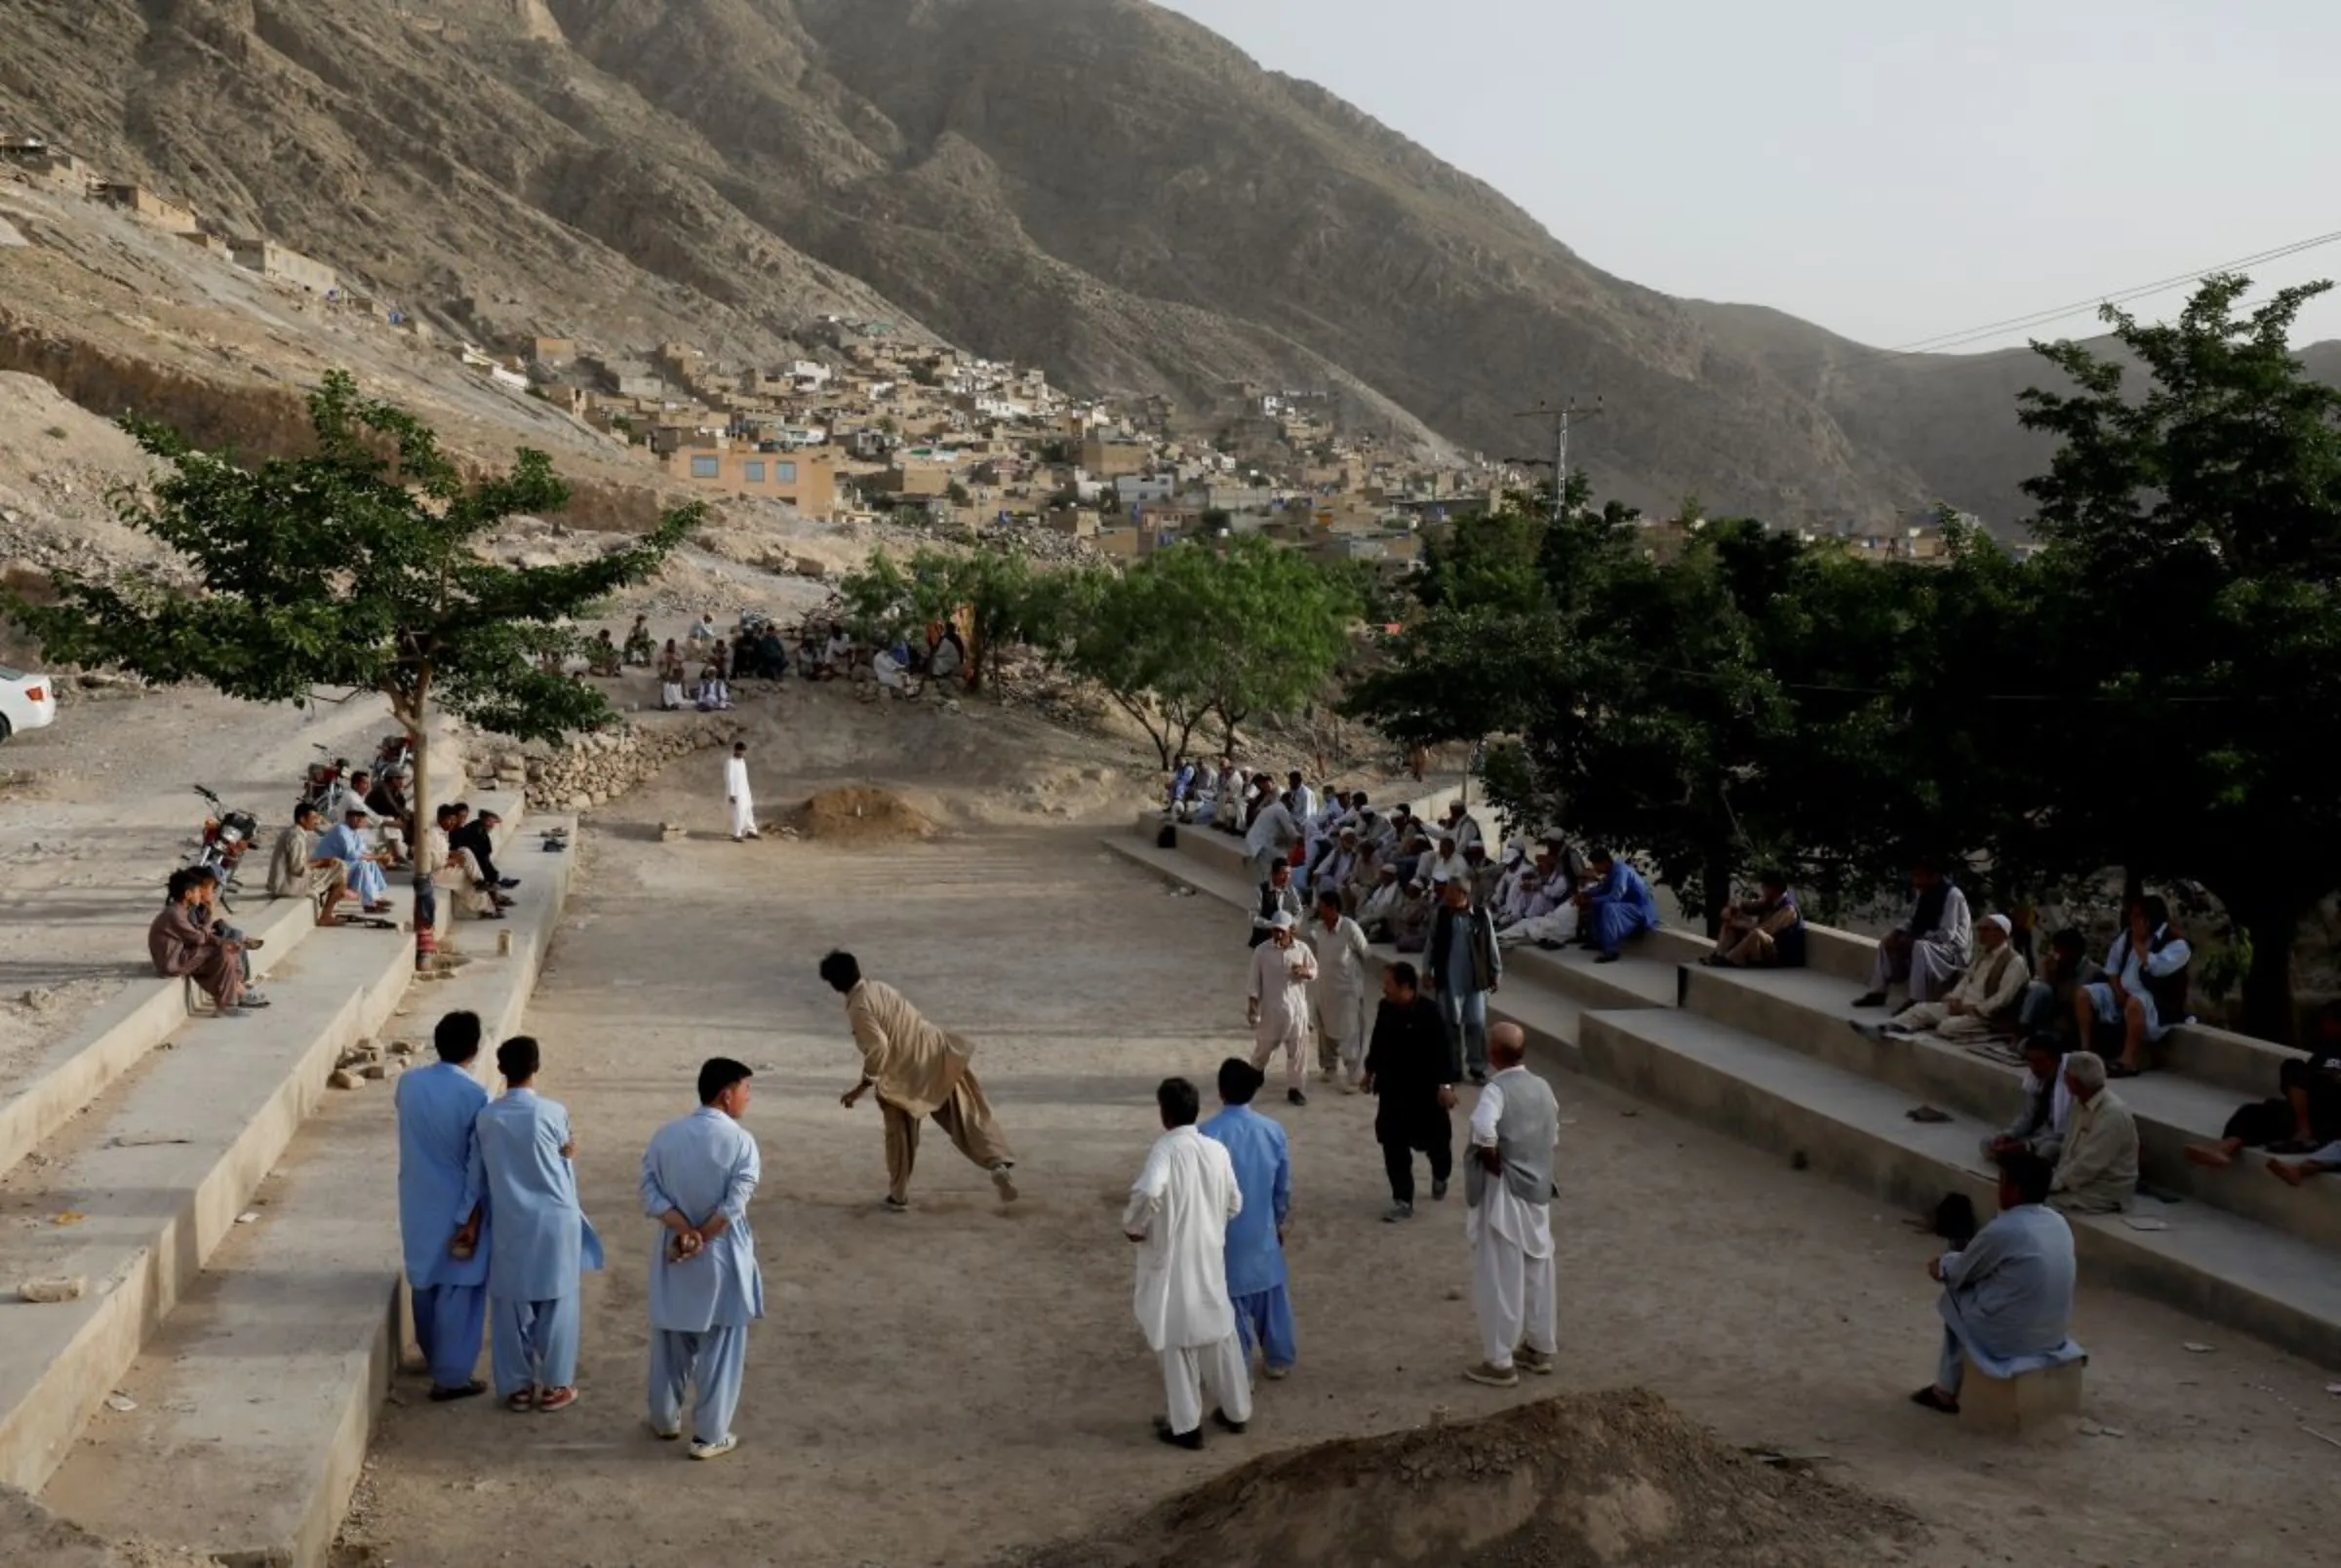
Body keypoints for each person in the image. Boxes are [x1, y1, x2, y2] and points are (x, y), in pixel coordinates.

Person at [465, 1037, 604, 1412]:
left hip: (511, 1217)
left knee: (510, 1303)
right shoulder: (553, 1112)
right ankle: (557, 1385)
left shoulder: (487, 1118)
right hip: (556, 1217)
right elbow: (563, 1156)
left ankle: (517, 1387)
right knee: (558, 1301)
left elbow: (475, 1177)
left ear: (501, 1070)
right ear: (536, 1066)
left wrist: (467, 1219)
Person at [821, 951, 1018, 1210]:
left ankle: (898, 1196)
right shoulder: (879, 987)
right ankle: (996, 1162)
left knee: (900, 1136)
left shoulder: (858, 1006)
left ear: (835, 984)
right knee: (968, 1115)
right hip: (936, 1053)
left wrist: (862, 1086)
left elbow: (879, 1046)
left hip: (904, 1075)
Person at [641, 1057, 764, 1461]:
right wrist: (702, 1237)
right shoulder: (741, 1142)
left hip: (674, 1252)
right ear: (726, 1095)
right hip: (722, 1255)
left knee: (672, 1340)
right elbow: (734, 1205)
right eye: (745, 1089)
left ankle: (664, 1418)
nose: (748, 1097)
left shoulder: (665, 1136)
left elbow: (650, 1195)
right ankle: (709, 1435)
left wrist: (684, 1233)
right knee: (721, 1345)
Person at [1123, 1077, 1251, 1450]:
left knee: (1176, 1338)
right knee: (1219, 1331)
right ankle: (1236, 1411)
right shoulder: (1216, 1151)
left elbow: (1148, 1190)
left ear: (1164, 1114)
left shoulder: (1165, 1150)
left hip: (1173, 1261)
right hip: (1209, 1255)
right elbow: (1234, 1203)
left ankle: (1186, 1426)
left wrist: (1135, 1226)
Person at [1910, 1149, 2080, 1415]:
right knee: (1981, 1288)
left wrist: (1940, 1265)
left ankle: (1944, 1391)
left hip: (2010, 1340)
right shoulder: (2058, 1222)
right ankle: (1951, 1384)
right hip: (2052, 1336)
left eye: (2001, 1181)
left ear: (2014, 1190)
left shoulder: (2006, 1228)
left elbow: (1960, 1272)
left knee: (1953, 1296)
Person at [395, 1010, 492, 1402]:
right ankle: (451, 1376)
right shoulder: (475, 1095)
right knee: (458, 1287)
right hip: (455, 1199)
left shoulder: (409, 1083)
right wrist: (471, 1212)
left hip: (417, 1195)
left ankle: (434, 1356)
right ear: (474, 1047)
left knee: (425, 1280)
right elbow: (476, 1163)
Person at [1463, 1023, 1559, 1388]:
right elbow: (1553, 1135)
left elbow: (1484, 1130)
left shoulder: (1495, 1090)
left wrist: (1492, 1159)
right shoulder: (1544, 1088)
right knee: (1538, 1268)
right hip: (1538, 1191)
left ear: (1494, 1053)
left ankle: (1500, 1361)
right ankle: (1539, 1346)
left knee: (1501, 1275)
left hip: (1505, 1191)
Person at [1199, 1058, 1295, 1382]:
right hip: (1263, 1233)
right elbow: (1282, 1187)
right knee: (1272, 1298)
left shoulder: (1206, 1135)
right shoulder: (1273, 1130)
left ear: (1221, 1091)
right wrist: (1279, 1220)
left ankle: (1240, 1374)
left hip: (1223, 1239)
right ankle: (1278, 1358)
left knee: (1230, 1308)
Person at [2187, 1000, 2341, 1169]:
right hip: (2307, 1113)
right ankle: (2223, 1149)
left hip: (2331, 1120)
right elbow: (2303, 1080)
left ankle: (2305, 1133)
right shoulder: (2325, 1052)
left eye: (2328, 1022)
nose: (2323, 1027)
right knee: (2253, 1111)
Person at [1364, 961, 1458, 1221]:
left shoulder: (1430, 1012)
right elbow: (1378, 1041)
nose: (1384, 989)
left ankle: (1441, 1174)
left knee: (1438, 1144)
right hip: (1393, 1090)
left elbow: (1444, 1052)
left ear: (1406, 986)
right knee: (1392, 1144)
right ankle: (1402, 1199)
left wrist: (1446, 1086)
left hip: (1425, 1094)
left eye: (1389, 984)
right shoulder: (1385, 1009)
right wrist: (1369, 1071)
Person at [1859, 914, 2031, 1041]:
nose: (1981, 933)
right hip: (1962, 1007)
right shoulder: (1982, 956)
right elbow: (1965, 981)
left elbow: (2002, 998)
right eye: (1980, 929)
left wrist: (1970, 1009)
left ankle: (1994, 1034)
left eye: (1986, 930)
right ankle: (1888, 1029)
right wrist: (1954, 998)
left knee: (1946, 1028)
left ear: (2001, 934)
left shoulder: (2014, 962)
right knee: (1921, 1009)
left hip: (1983, 1015)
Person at [2078, 895, 2193, 1078]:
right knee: (2084, 994)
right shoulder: (2127, 936)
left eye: (2138, 916)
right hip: (2123, 992)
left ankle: (2128, 1061)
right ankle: (2085, 1051)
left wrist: (2139, 945)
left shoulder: (2177, 945)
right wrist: (2117, 990)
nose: (2133, 921)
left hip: (2155, 1001)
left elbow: (2158, 968)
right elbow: (2112, 967)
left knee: (2135, 1003)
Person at [1853, 859, 1972, 1009]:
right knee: (1887, 942)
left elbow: (1947, 934)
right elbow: (1912, 920)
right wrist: (1897, 933)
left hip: (1953, 952)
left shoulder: (1952, 896)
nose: (1916, 881)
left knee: (1919, 946)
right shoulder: (1923, 893)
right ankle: (1878, 992)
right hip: (1928, 943)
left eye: (1920, 877)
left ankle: (1916, 1000)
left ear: (1934, 877)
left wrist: (1915, 939)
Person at [1424, 879, 1500, 1083]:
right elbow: (1431, 944)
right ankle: (1453, 1068)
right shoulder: (1440, 915)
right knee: (1450, 1026)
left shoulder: (1481, 916)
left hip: (1475, 980)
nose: (1447, 897)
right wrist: (1426, 970)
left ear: (1463, 894)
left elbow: (1491, 945)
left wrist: (1496, 972)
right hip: (1448, 980)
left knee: (1476, 1024)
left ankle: (1477, 1067)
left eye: (1451, 893)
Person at [149, 867, 255, 1012]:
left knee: (225, 949)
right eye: (197, 891)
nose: (200, 894)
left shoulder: (180, 910)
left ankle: (231, 995)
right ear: (188, 894)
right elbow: (199, 938)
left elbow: (199, 934)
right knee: (222, 952)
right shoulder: (175, 914)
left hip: (179, 957)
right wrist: (210, 917)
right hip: (171, 962)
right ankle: (230, 999)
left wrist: (223, 941)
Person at [2048, 1051, 2138, 1214]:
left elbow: (2089, 1163)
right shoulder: (2080, 1101)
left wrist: (2056, 1184)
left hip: (2104, 1188)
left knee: (2043, 1205)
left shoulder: (2113, 1114)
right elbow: (2069, 1146)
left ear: (2073, 1082)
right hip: (2080, 1179)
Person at [1247, 911, 1320, 1106]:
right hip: (1271, 1010)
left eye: (1281, 931)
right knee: (1264, 1046)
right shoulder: (1262, 951)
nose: (1277, 935)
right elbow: (1254, 982)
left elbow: (1314, 970)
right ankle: (1257, 1071)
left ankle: (1295, 1088)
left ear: (1291, 931)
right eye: (1275, 931)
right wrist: (1253, 1007)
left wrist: (1304, 972)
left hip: (1297, 1010)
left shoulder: (1302, 949)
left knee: (1298, 1051)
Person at [1308, 891, 1373, 1088]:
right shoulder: (1317, 929)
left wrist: (1352, 974)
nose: (1319, 910)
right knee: (1325, 1029)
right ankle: (1329, 1067)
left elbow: (1366, 954)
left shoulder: (1350, 928)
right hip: (1325, 987)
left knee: (1350, 1031)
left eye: (1322, 906)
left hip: (1347, 991)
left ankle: (1353, 1072)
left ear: (1333, 908)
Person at [1983, 1037, 2073, 1163]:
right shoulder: (2035, 1080)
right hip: (2035, 1135)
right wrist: (2009, 1135)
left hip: (2057, 1139)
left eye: (2039, 1061)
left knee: (2047, 1151)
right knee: (1989, 1142)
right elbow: (2027, 1117)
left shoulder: (2070, 1086)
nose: (2033, 1067)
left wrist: (2029, 1145)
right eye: (2030, 1061)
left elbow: (2064, 1131)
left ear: (2054, 1060)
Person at [265, 801, 352, 922]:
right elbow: (297, 868)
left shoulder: (293, 832)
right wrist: (321, 863)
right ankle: (326, 916)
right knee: (341, 867)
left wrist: (323, 862)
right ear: (302, 819)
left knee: (336, 864)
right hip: (288, 886)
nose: (316, 822)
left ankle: (328, 909)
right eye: (314, 818)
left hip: (285, 882)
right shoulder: (296, 837)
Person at [2017, 928, 2102, 1046]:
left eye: (2060, 950)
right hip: (2053, 1019)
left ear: (2074, 951)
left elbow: (2076, 1003)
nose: (2056, 954)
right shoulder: (2058, 966)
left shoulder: (2093, 972)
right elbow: (2047, 996)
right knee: (2039, 988)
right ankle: (2022, 1030)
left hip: (2071, 1026)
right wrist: (2048, 975)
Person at [1575, 848, 1661, 964]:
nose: (1595, 868)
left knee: (1608, 907)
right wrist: (1586, 894)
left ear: (1605, 862)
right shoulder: (1611, 872)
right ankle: (1597, 940)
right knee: (1598, 904)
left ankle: (1611, 951)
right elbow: (1603, 890)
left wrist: (1590, 901)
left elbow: (1615, 896)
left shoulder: (1620, 871)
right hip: (1628, 906)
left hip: (1641, 910)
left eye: (1596, 865)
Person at [1706, 872, 1805, 968]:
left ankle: (1729, 959)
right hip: (1765, 947)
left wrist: (1739, 924)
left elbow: (1766, 929)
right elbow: (1747, 905)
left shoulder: (1788, 909)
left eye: (1764, 887)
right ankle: (1719, 955)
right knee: (1733, 919)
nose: (1762, 890)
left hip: (1780, 953)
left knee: (1756, 933)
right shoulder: (1769, 901)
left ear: (1773, 889)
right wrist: (1732, 908)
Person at [424, 804, 502, 921]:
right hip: (434, 874)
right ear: (440, 818)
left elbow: (441, 852)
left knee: (465, 851)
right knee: (465, 879)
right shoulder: (432, 834)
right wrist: (453, 860)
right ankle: (487, 908)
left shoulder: (441, 830)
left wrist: (452, 854)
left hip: (442, 866)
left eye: (453, 820)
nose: (451, 823)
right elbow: (434, 862)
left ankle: (479, 881)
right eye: (449, 820)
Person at [317, 804, 395, 913]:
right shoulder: (341, 830)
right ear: (351, 818)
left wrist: (380, 857)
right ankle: (369, 903)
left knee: (370, 862)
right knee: (362, 864)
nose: (362, 820)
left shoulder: (355, 832)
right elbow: (353, 855)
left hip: (339, 867)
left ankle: (376, 897)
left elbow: (364, 852)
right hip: (326, 869)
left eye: (362, 817)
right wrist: (380, 857)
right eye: (358, 817)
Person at [451, 807, 519, 892]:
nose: (492, 824)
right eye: (489, 821)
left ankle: (495, 885)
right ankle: (494, 885)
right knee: (483, 860)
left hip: (472, 851)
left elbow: (499, 820)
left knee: (485, 860)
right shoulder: (475, 828)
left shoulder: (480, 826)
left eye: (492, 821)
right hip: (463, 851)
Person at [1243, 790, 1303, 884]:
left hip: (1258, 842)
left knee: (1271, 868)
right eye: (1293, 803)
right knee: (1269, 871)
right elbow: (1291, 832)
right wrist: (1303, 840)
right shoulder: (1281, 810)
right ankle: (1266, 894)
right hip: (1262, 845)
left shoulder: (1275, 807)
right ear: (1288, 801)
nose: (1293, 806)